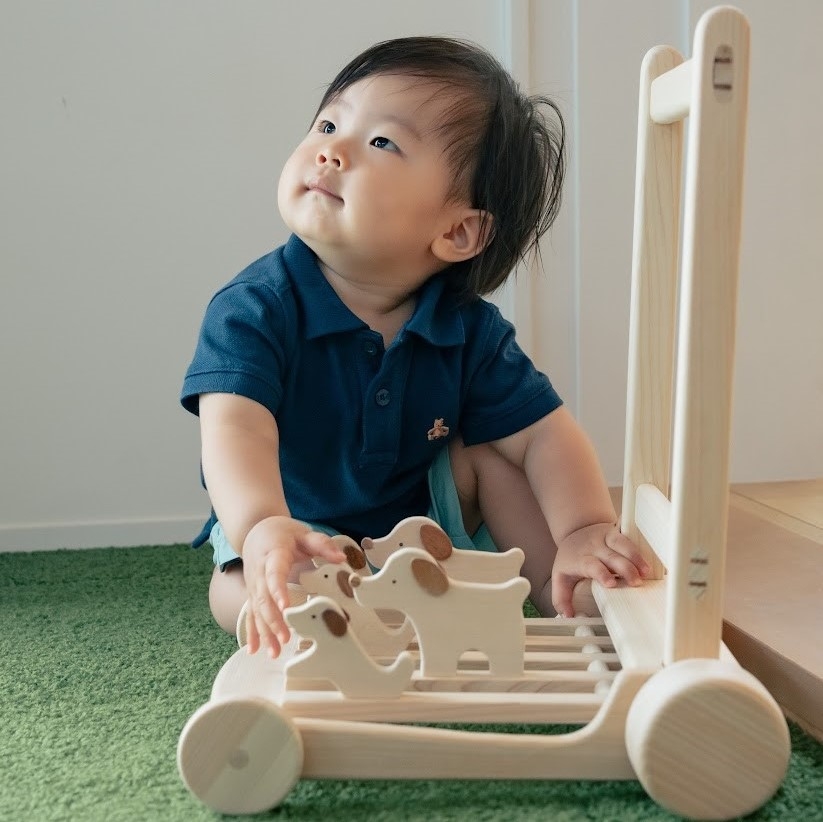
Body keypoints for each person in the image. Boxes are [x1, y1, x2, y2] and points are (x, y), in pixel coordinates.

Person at [181, 36, 650, 659]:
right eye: (328, 124)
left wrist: (584, 526)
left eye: (381, 142)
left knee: (497, 452)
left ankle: (566, 589)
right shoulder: (255, 307)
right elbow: (234, 428)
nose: (330, 149)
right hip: (297, 526)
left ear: (458, 231)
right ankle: (317, 614)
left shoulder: (468, 330)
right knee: (240, 588)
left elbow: (546, 435)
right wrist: (261, 525)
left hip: (422, 533)